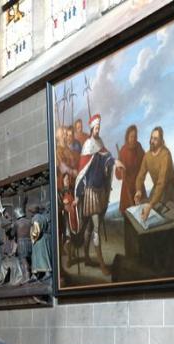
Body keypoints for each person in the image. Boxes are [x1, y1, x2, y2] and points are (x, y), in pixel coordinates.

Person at [74, 114, 120, 275]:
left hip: (100, 190)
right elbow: (81, 171)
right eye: (96, 128)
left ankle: (86, 256)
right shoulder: (87, 145)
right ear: (92, 128)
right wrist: (78, 196)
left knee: (90, 226)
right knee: (96, 228)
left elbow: (107, 158)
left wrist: (113, 163)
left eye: (99, 128)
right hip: (91, 192)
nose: (98, 130)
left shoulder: (100, 143)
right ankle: (101, 264)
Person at [134, 126, 174, 221]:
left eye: (155, 139)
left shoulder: (165, 154)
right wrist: (138, 191)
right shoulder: (147, 156)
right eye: (151, 138)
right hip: (157, 189)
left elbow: (162, 182)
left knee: (169, 217)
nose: (152, 141)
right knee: (150, 213)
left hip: (170, 190)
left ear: (161, 140)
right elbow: (140, 176)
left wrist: (151, 205)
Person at [115, 124, 145, 214]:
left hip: (138, 186)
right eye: (131, 136)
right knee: (129, 217)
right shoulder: (123, 151)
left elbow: (145, 164)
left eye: (135, 136)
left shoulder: (139, 147)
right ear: (127, 137)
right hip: (127, 189)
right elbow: (118, 176)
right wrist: (120, 169)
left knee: (143, 214)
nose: (134, 139)